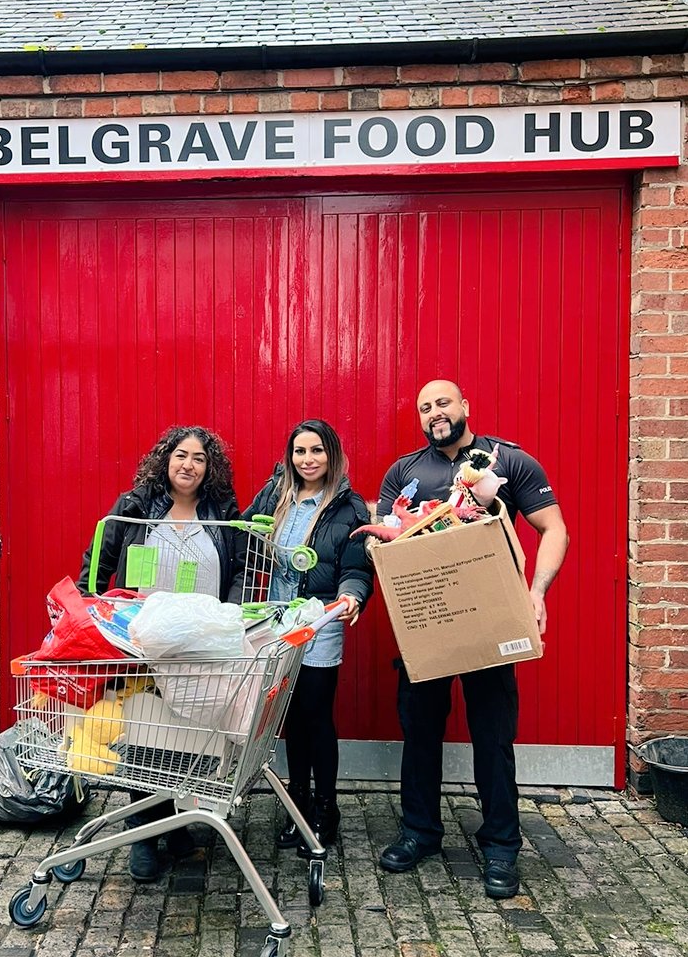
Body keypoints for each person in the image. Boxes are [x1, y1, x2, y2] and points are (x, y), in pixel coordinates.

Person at [376, 379, 568, 899]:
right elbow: (386, 545)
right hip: (427, 622)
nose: (435, 413)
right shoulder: (403, 473)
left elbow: (555, 529)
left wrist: (537, 592)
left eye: (443, 403)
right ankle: (420, 832)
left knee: (492, 735)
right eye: (425, 408)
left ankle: (502, 845)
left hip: (489, 621)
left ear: (465, 406)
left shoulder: (509, 461)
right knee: (419, 733)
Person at [77, 425, 245, 882]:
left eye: (199, 458)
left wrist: (228, 620)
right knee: (145, 736)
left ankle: (175, 825)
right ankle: (142, 834)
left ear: (209, 468)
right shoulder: (134, 507)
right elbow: (96, 565)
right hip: (142, 645)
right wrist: (90, 612)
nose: (188, 465)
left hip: (198, 646)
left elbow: (238, 572)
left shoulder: (222, 511)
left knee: (183, 738)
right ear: (165, 460)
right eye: (180, 455)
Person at [243, 419, 373, 853]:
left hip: (320, 624)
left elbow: (356, 566)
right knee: (290, 721)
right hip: (277, 623)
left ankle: (325, 808)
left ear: (331, 454)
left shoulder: (347, 507)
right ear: (290, 456)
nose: (308, 459)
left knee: (316, 719)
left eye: (316, 451)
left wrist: (351, 595)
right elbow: (243, 538)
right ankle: (296, 804)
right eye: (300, 452)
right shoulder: (274, 495)